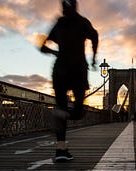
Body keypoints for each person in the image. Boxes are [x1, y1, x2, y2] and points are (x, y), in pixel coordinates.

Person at [40, 0, 98, 162]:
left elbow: (42, 47)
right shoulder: (82, 22)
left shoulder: (58, 25)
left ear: (63, 8)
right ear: (75, 6)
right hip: (78, 69)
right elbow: (95, 36)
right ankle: (62, 115)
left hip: (59, 70)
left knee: (61, 108)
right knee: (78, 111)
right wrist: (93, 58)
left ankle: (61, 150)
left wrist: (56, 53)